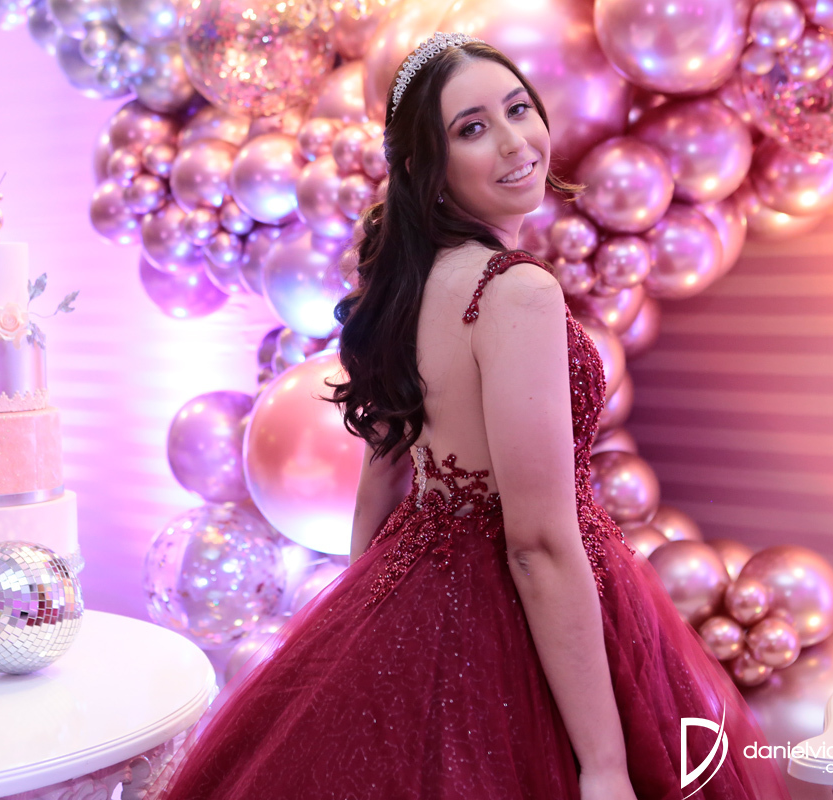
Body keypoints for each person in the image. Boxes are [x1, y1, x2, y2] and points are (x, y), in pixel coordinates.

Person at [144, 33, 792, 800]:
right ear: (429, 168)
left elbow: (380, 483)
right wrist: (604, 764)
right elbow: (537, 545)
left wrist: (365, 633)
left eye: (518, 109)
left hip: (416, 591)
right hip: (511, 618)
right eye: (472, 128)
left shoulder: (409, 286)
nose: (515, 142)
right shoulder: (516, 291)